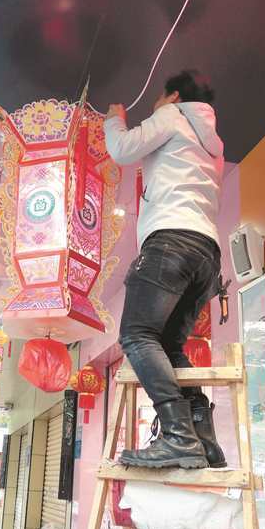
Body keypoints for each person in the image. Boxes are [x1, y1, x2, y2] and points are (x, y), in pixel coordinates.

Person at [104, 69, 227, 470]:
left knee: (137, 335)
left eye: (160, 95)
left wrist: (114, 118)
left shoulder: (172, 116)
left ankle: (177, 435)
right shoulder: (214, 145)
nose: (156, 101)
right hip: (206, 253)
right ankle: (202, 437)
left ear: (173, 96)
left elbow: (122, 149)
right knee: (170, 347)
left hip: (170, 242)